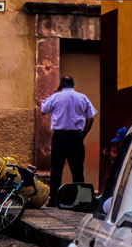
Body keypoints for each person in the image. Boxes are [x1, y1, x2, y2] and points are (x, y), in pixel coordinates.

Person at [39, 75, 96, 204]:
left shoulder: (55, 97)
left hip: (60, 137)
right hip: (76, 137)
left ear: (61, 85)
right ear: (73, 85)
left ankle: (54, 200)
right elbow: (91, 118)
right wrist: (83, 135)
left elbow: (43, 110)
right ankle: (80, 201)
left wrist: (55, 92)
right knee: (77, 170)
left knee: (57, 169)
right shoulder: (82, 97)